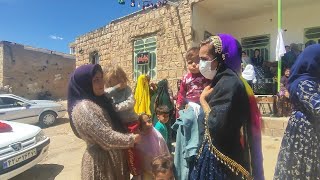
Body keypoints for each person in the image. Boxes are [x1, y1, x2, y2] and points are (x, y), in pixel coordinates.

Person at [191, 34, 264, 180]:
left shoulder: (229, 83)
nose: (200, 64)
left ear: (220, 59)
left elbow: (216, 125)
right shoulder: (219, 81)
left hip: (222, 161)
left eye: (204, 59)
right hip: (215, 153)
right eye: (199, 59)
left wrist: (203, 102)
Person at [67, 64, 140, 180]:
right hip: (102, 165)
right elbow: (106, 138)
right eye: (96, 80)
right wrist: (132, 139)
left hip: (114, 160)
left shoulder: (99, 99)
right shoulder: (84, 108)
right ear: (85, 83)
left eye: (102, 78)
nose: (101, 83)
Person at [274, 44, 320, 179]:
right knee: (301, 168)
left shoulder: (312, 81)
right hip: (305, 133)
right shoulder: (304, 83)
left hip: (310, 130)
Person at [104, 65, 141, 177]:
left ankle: (135, 172)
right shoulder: (110, 91)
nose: (117, 81)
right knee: (121, 149)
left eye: (118, 78)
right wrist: (115, 88)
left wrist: (115, 107)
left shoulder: (127, 89)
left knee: (132, 148)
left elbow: (131, 102)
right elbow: (104, 94)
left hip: (131, 122)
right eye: (111, 79)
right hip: (119, 124)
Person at [176, 47, 209, 116]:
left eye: (197, 61)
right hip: (190, 104)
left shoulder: (206, 76)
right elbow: (182, 93)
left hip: (203, 103)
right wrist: (179, 102)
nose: (193, 64)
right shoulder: (186, 78)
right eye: (190, 62)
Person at [135, 113, 170, 179]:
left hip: (159, 173)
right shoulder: (137, 140)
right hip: (144, 175)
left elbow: (166, 154)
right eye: (144, 123)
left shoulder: (157, 136)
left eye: (149, 121)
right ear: (139, 125)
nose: (148, 124)